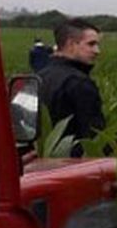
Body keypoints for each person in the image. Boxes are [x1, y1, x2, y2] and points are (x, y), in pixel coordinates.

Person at [38, 18, 106, 157]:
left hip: (38, 163)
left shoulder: (38, 77)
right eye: (91, 44)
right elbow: (95, 140)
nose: (97, 51)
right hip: (70, 166)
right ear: (70, 44)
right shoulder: (79, 83)